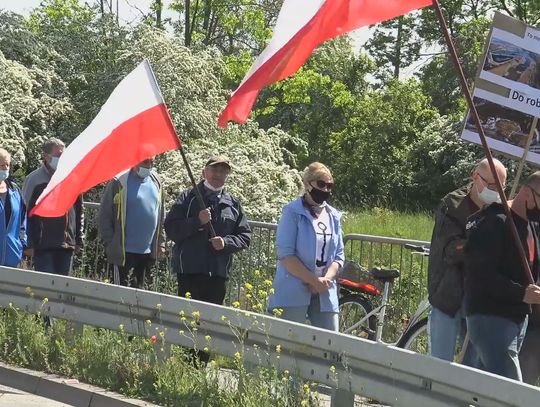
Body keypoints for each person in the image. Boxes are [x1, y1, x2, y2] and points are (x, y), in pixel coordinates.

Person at [268, 162, 352, 407]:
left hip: (325, 291)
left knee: (332, 348)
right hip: (294, 289)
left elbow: (339, 255)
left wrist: (326, 279)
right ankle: (291, 399)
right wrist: (312, 280)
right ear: (307, 184)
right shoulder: (291, 211)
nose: (326, 190)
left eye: (330, 186)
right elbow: (286, 254)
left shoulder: (334, 216)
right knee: (292, 348)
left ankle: (334, 400)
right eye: (320, 185)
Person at [427, 158, 507, 362]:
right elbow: (450, 250)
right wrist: (480, 244)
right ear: (474, 177)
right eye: (490, 185)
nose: (494, 190)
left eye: (500, 186)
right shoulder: (452, 204)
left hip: (480, 302)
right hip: (448, 295)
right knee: (440, 364)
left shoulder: (502, 209)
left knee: (472, 368)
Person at [463, 171, 540, 381]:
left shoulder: (532, 227)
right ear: (528, 193)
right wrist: (521, 293)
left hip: (517, 319)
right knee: (511, 393)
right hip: (491, 317)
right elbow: (480, 276)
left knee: (481, 388)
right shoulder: (494, 222)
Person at [164, 156, 251, 305]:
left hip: (218, 274)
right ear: (204, 172)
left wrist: (226, 242)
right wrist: (196, 221)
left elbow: (245, 236)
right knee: (187, 319)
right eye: (214, 170)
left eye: (223, 171)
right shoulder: (187, 198)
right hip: (189, 272)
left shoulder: (233, 204)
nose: (218, 174)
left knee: (211, 322)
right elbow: (171, 228)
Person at [98, 157, 165, 288]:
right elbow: (104, 215)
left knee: (139, 296)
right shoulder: (119, 181)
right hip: (123, 252)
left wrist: (160, 242)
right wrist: (110, 243)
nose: (149, 166)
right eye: (146, 162)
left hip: (146, 253)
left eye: (152, 162)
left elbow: (161, 214)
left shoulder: (156, 181)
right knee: (120, 294)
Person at [22, 138, 84, 275]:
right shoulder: (34, 179)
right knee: (45, 291)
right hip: (42, 246)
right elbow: (24, 212)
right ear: (45, 156)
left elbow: (79, 210)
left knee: (61, 292)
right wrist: (28, 244)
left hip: (67, 245)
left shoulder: (72, 178)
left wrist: (79, 239)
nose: (62, 159)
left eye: (64, 155)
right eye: (58, 155)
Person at [0, 148, 26, 267]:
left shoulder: (15, 190)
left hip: (12, 256)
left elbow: (23, 220)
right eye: (1, 165)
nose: (5, 168)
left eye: (7, 165)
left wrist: (22, 243)